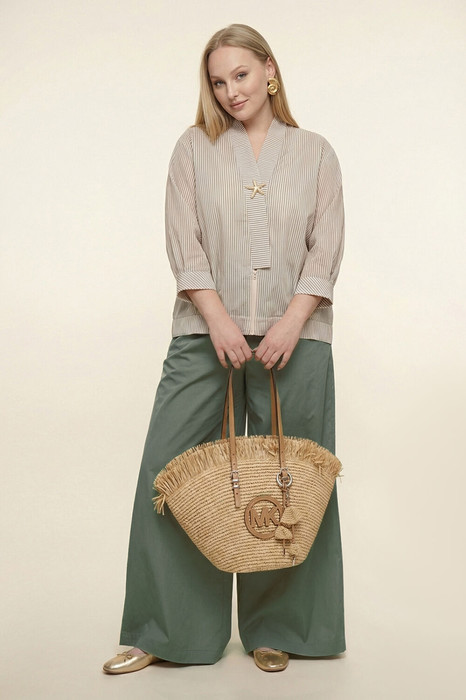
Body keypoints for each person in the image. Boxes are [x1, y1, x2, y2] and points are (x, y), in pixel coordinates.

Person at [103, 23, 345, 675]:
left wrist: (292, 320)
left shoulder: (316, 152)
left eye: (241, 74)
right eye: (218, 81)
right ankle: (166, 630)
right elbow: (183, 241)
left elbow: (326, 245)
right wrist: (216, 318)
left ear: (270, 70)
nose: (231, 91)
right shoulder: (193, 149)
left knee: (291, 478)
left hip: (298, 337)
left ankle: (281, 628)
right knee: (171, 474)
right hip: (203, 332)